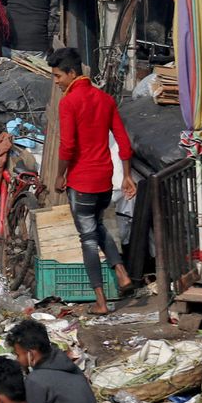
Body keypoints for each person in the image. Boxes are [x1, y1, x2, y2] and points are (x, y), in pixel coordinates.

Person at [51, 48, 135, 311]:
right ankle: (121, 272)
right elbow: (123, 141)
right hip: (105, 180)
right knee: (97, 227)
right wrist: (128, 176)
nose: (56, 81)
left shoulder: (69, 102)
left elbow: (67, 146)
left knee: (87, 238)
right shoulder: (105, 99)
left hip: (82, 181)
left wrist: (60, 174)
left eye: (57, 76)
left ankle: (100, 302)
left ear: (71, 73)